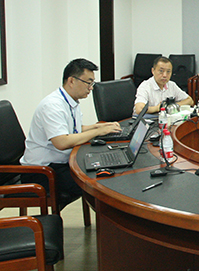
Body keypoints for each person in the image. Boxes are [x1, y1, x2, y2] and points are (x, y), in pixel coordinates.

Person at [20, 58, 123, 208]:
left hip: (60, 164)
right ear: (71, 81)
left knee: (102, 172)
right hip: (42, 172)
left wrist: (98, 127)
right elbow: (62, 142)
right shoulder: (52, 106)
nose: (91, 88)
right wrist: (98, 131)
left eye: (92, 83)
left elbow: (73, 129)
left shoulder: (70, 101)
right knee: (97, 183)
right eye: (88, 83)